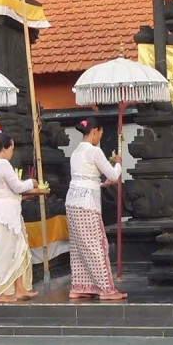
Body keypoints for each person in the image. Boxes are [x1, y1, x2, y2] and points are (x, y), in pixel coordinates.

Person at [65, 118, 126, 301]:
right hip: (87, 206)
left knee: (78, 247)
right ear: (95, 131)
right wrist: (118, 162)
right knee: (97, 246)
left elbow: (83, 178)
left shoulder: (76, 151)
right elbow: (114, 175)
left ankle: (79, 286)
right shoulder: (94, 151)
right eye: (100, 133)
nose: (100, 136)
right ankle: (107, 289)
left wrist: (101, 184)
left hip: (72, 202)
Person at [0, 132, 39, 303]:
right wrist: (32, 182)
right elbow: (17, 187)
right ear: (5, 148)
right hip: (4, 214)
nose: (12, 152)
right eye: (12, 148)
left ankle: (20, 288)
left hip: (6, 211)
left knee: (18, 249)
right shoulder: (2, 164)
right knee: (5, 252)